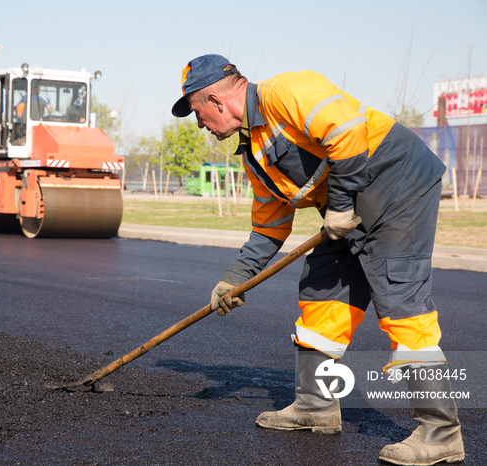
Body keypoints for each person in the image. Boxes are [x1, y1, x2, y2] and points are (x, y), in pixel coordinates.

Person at [172, 54, 463, 465]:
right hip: (344, 210)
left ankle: (441, 433)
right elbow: (269, 228)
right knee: (321, 291)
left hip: (398, 185)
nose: (199, 124)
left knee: (401, 302)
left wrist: (340, 205)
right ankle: (315, 405)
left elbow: (346, 133)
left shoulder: (285, 91)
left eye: (197, 113)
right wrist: (233, 279)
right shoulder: (254, 152)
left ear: (216, 101)